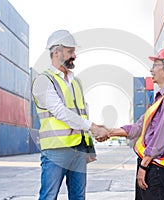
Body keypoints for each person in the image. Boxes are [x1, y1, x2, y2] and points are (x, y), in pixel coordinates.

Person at [32, 29, 109, 200]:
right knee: (49, 196)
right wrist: (94, 127)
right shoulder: (44, 80)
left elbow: (83, 114)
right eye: (70, 51)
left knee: (78, 197)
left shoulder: (76, 82)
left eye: (74, 51)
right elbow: (60, 112)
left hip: (79, 149)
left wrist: (89, 146)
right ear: (56, 52)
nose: (74, 55)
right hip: (56, 150)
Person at [109, 47, 164, 200]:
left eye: (155, 65)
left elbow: (162, 136)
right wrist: (109, 132)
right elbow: (139, 127)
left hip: (157, 168)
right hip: (151, 165)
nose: (151, 70)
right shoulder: (161, 98)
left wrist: (144, 165)